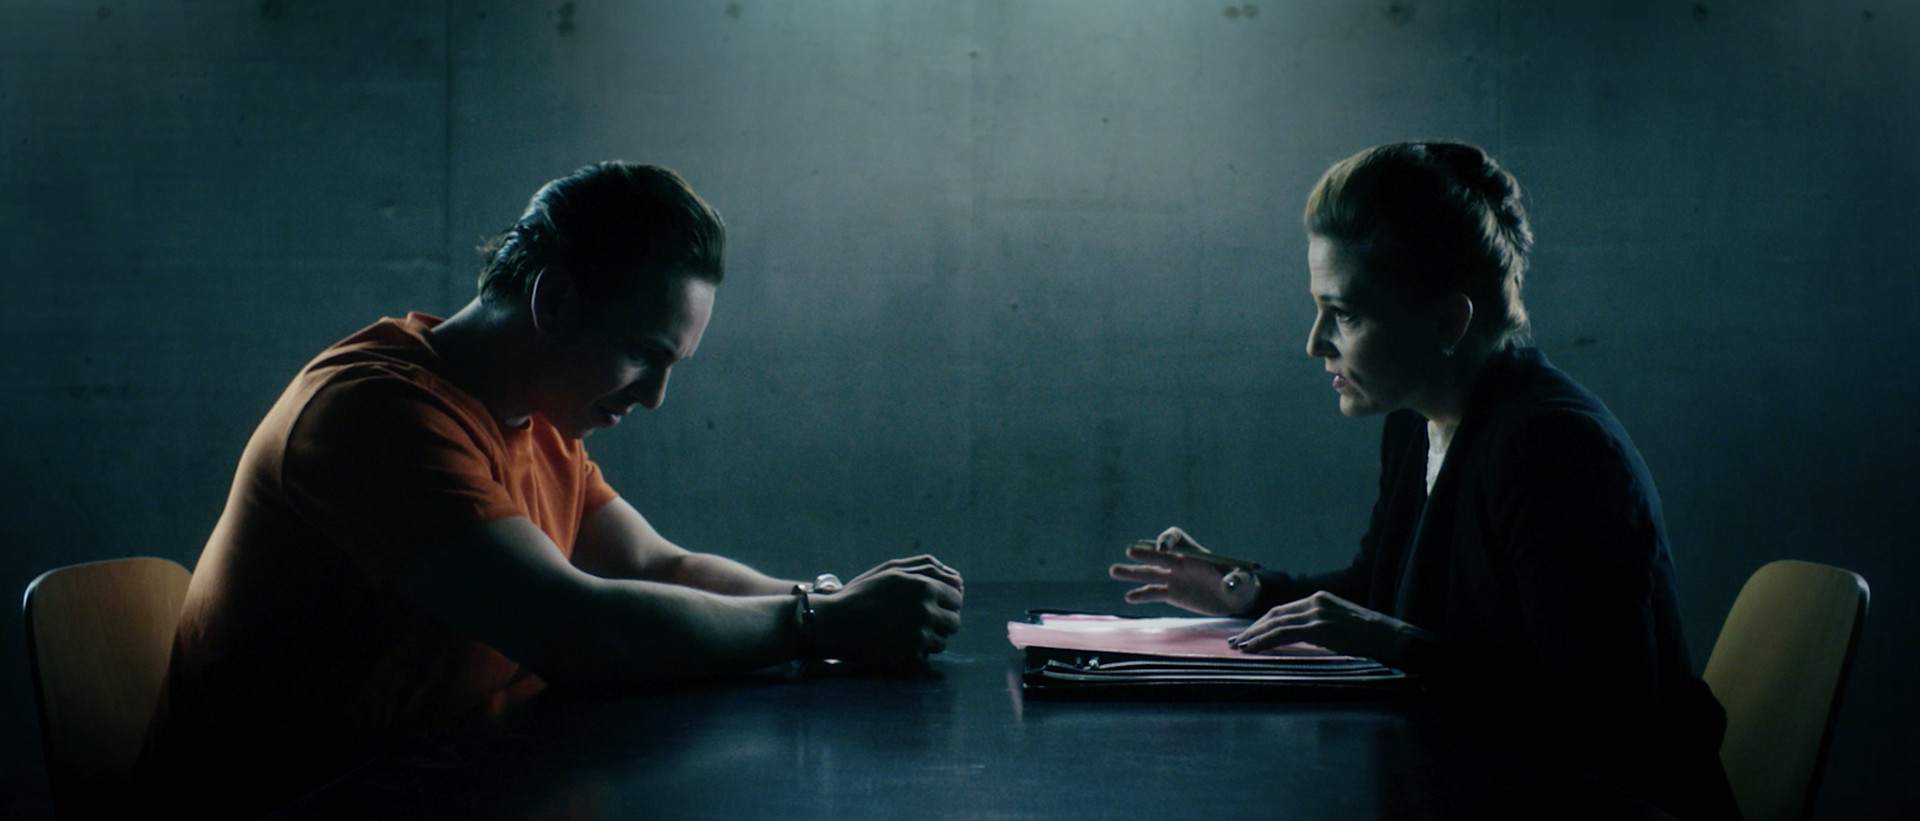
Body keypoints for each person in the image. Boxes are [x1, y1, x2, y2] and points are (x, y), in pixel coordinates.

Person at [138, 162, 964, 819]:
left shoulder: (537, 416)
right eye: (645, 353)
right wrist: (819, 621)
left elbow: (658, 566)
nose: (655, 397)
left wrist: (835, 606)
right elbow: (577, 626)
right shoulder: (374, 413)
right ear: (555, 300)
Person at [1109, 143, 1739, 820]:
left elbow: (1601, 721)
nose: (1315, 342)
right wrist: (1250, 594)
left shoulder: (1556, 450)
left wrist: (1399, 643)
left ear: (1447, 322)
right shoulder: (1419, 420)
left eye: (1345, 314)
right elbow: (1377, 590)